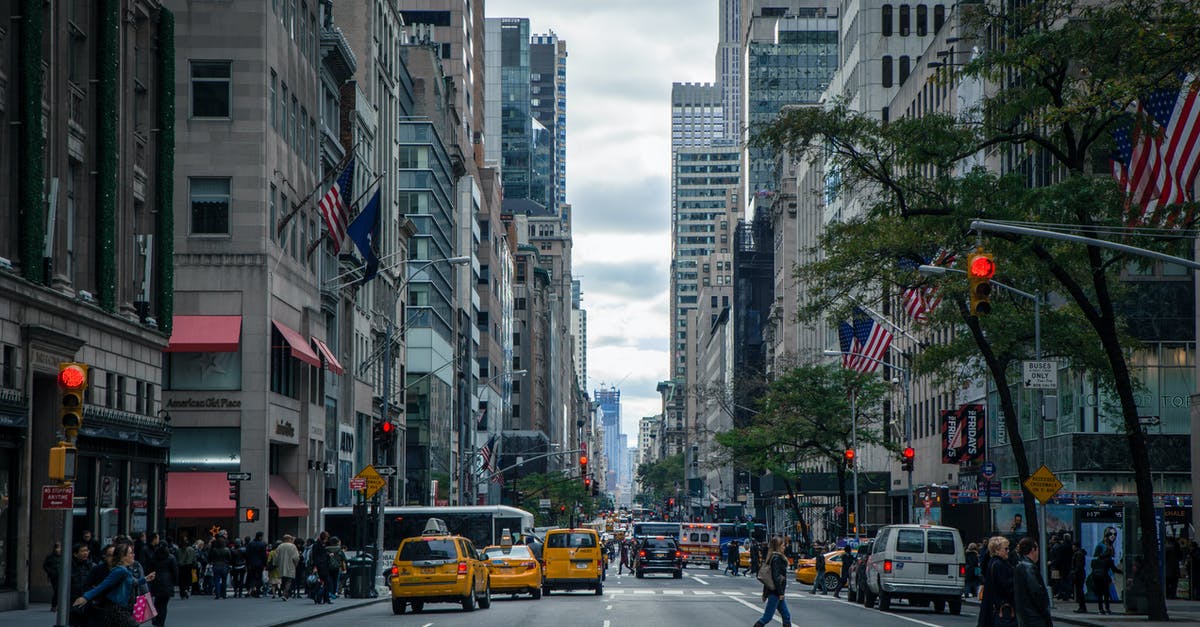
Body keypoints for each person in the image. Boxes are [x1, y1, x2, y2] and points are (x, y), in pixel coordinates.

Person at [72, 542, 156, 627]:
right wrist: (85, 597)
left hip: (121, 609)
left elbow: (133, 582)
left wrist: (145, 579)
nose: (133, 555)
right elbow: (103, 586)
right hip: (117, 610)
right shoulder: (120, 571)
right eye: (131, 553)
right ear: (123, 557)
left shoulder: (125, 570)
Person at [753, 536, 792, 627]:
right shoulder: (777, 559)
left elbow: (768, 578)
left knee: (786, 615)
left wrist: (765, 594)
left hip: (775, 592)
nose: (784, 547)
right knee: (767, 617)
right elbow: (775, 577)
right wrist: (780, 592)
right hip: (775, 592)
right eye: (783, 545)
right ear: (778, 546)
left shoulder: (773, 557)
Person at [1013, 538, 1052, 627]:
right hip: (1034, 616)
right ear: (1033, 550)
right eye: (1037, 549)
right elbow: (1036, 591)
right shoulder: (1029, 567)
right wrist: (1044, 609)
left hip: (1025, 615)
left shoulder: (1019, 565)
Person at [981, 536, 1015, 627]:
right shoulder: (999, 565)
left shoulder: (993, 563)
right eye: (1006, 548)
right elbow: (1005, 586)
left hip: (997, 606)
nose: (1008, 551)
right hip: (1003, 607)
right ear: (997, 550)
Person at [148, 542, 177, 626]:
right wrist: (174, 582)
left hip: (156, 580)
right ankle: (160, 622)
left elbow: (149, 569)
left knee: (157, 602)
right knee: (163, 604)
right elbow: (175, 571)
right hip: (167, 581)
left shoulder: (154, 557)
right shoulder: (171, 558)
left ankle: (155, 618)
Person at [1090, 545, 1122, 615]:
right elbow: (1114, 569)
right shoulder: (1109, 559)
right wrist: (1122, 572)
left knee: (1100, 594)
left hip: (1097, 577)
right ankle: (1107, 609)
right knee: (1106, 594)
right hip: (1104, 578)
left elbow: (1093, 566)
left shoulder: (1099, 558)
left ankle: (1100, 609)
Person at [273, 534, 300, 601]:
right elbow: (296, 557)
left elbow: (275, 557)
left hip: (281, 566)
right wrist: (296, 564)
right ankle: (285, 594)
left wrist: (276, 564)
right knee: (289, 580)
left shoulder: (280, 546)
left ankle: (283, 593)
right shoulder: (292, 546)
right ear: (289, 539)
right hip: (290, 565)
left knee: (284, 580)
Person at [246, 531, 268, 598]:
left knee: (252, 577)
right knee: (258, 578)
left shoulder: (250, 544)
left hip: (251, 563)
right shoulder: (262, 544)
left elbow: (247, 554)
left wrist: (248, 563)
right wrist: (265, 564)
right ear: (260, 537)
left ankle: (252, 589)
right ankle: (257, 591)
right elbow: (264, 555)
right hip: (260, 564)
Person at [44, 542, 63, 612]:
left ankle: (59, 606)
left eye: (60, 548)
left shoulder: (64, 556)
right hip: (54, 577)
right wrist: (51, 572)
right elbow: (45, 566)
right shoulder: (50, 556)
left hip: (62, 576)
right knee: (57, 590)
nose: (59, 549)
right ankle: (54, 606)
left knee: (61, 591)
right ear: (55, 549)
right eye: (58, 548)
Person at [1071, 544, 1088, 613]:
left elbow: (1078, 565)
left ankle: (1082, 607)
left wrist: (1074, 572)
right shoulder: (1080, 553)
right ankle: (1082, 607)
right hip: (1080, 574)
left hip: (1079, 575)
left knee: (1079, 591)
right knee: (1079, 591)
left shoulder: (1078, 554)